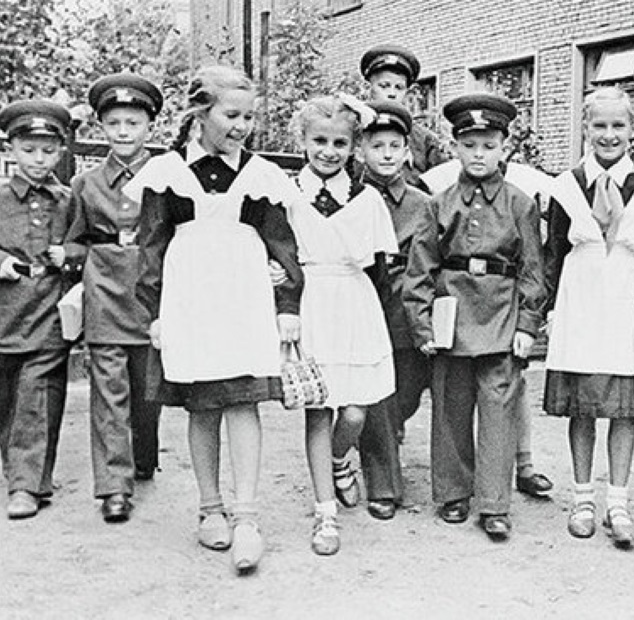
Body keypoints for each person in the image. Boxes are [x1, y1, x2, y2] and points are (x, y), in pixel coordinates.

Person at [124, 66, 303, 574]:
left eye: (249, 116)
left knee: (243, 403)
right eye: (231, 115)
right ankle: (210, 508)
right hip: (191, 302)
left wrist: (287, 304)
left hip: (244, 301)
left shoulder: (261, 175)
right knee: (203, 405)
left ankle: (246, 513)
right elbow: (151, 245)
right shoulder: (167, 172)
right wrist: (153, 312)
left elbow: (282, 244)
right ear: (200, 114)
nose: (242, 125)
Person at [404, 92, 547, 541]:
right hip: (453, 314)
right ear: (456, 148)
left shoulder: (521, 204)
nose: (479, 155)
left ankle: (493, 503)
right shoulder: (438, 202)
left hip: (502, 315)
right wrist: (423, 324)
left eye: (488, 145)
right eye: (470, 145)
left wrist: (527, 325)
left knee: (499, 408)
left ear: (504, 147)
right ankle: (452, 494)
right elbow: (421, 268)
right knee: (450, 404)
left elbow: (533, 271)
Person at [542, 87, 634, 548]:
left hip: (624, 303)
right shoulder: (565, 186)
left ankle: (617, 501)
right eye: (599, 125)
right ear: (585, 128)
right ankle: (583, 498)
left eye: (618, 125)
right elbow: (553, 253)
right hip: (579, 301)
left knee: (623, 409)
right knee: (582, 406)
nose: (608, 135)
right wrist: (545, 310)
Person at [0, 100, 76, 520]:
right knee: (3, 399)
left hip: (48, 310)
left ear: (60, 151)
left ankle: (26, 485)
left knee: (38, 398)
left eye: (47, 150)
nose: (38, 159)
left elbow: (90, 243)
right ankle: (19, 468)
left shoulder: (69, 200)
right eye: (28, 149)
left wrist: (70, 255)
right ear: (11, 150)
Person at [286, 95, 398, 556]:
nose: (328, 151)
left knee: (354, 411)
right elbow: (273, 248)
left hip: (353, 302)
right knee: (319, 407)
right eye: (319, 141)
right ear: (303, 141)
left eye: (339, 143)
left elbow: (379, 266)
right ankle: (325, 513)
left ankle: (338, 460)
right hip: (310, 301)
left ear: (353, 147)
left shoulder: (367, 198)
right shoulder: (287, 192)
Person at [63, 74, 165, 524]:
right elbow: (72, 239)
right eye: (114, 123)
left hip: (151, 291)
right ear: (101, 128)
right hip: (104, 291)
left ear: (150, 127)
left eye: (133, 122)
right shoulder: (86, 184)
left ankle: (142, 457)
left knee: (147, 390)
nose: (124, 132)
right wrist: (70, 256)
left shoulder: (167, 177)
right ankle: (113, 487)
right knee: (108, 392)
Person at [354, 100, 433, 522]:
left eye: (395, 145)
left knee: (406, 393)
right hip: (365, 301)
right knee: (377, 397)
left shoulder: (423, 203)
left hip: (408, 306)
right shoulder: (351, 195)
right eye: (376, 144)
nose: (386, 153)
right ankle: (384, 485)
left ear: (407, 151)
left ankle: (383, 441)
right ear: (361, 149)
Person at [360, 45, 449, 185]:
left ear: (408, 93)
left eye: (399, 88)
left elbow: (440, 186)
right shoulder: (353, 130)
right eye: (384, 86)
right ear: (367, 88)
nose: (391, 93)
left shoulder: (424, 139)